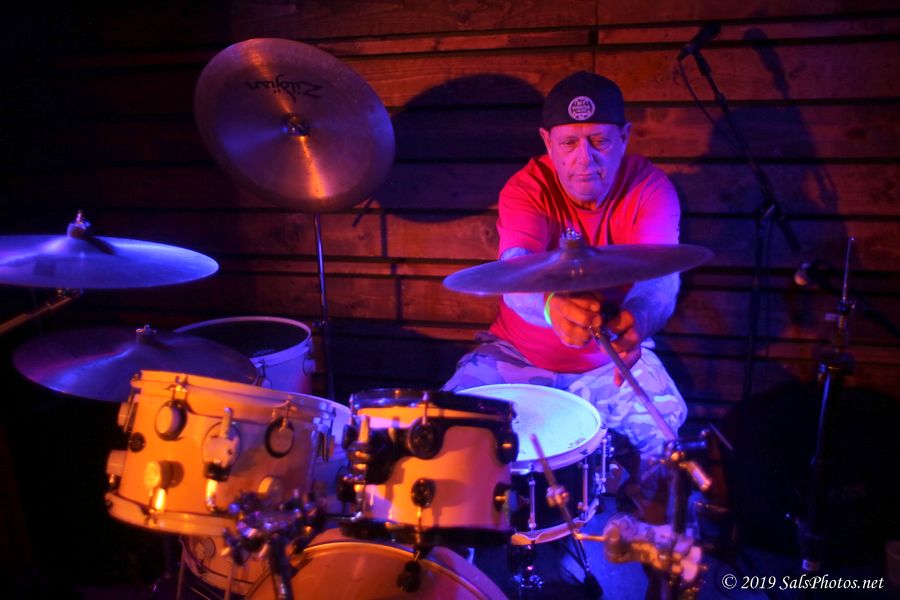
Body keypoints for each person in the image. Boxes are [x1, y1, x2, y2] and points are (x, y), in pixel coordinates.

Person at [443, 71, 688, 525]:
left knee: (665, 439)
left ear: (624, 137)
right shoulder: (527, 187)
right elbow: (514, 268)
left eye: (599, 141)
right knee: (443, 425)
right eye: (569, 143)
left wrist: (639, 318)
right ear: (547, 142)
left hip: (609, 360)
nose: (584, 159)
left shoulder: (650, 188)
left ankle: (645, 547)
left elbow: (662, 279)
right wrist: (552, 307)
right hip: (515, 353)